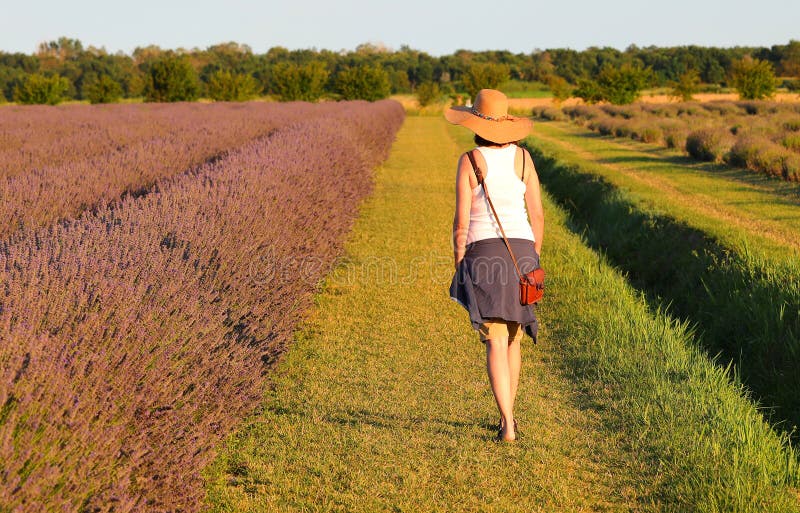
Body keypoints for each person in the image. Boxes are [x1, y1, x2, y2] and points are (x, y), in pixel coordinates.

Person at [447, 89, 544, 442]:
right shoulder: (524, 159)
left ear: (475, 123)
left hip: (484, 253)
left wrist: (460, 262)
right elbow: (536, 214)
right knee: (513, 340)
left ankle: (506, 422)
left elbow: (461, 222)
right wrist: (533, 257)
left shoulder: (470, 160)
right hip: (523, 254)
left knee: (495, 340)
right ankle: (510, 418)